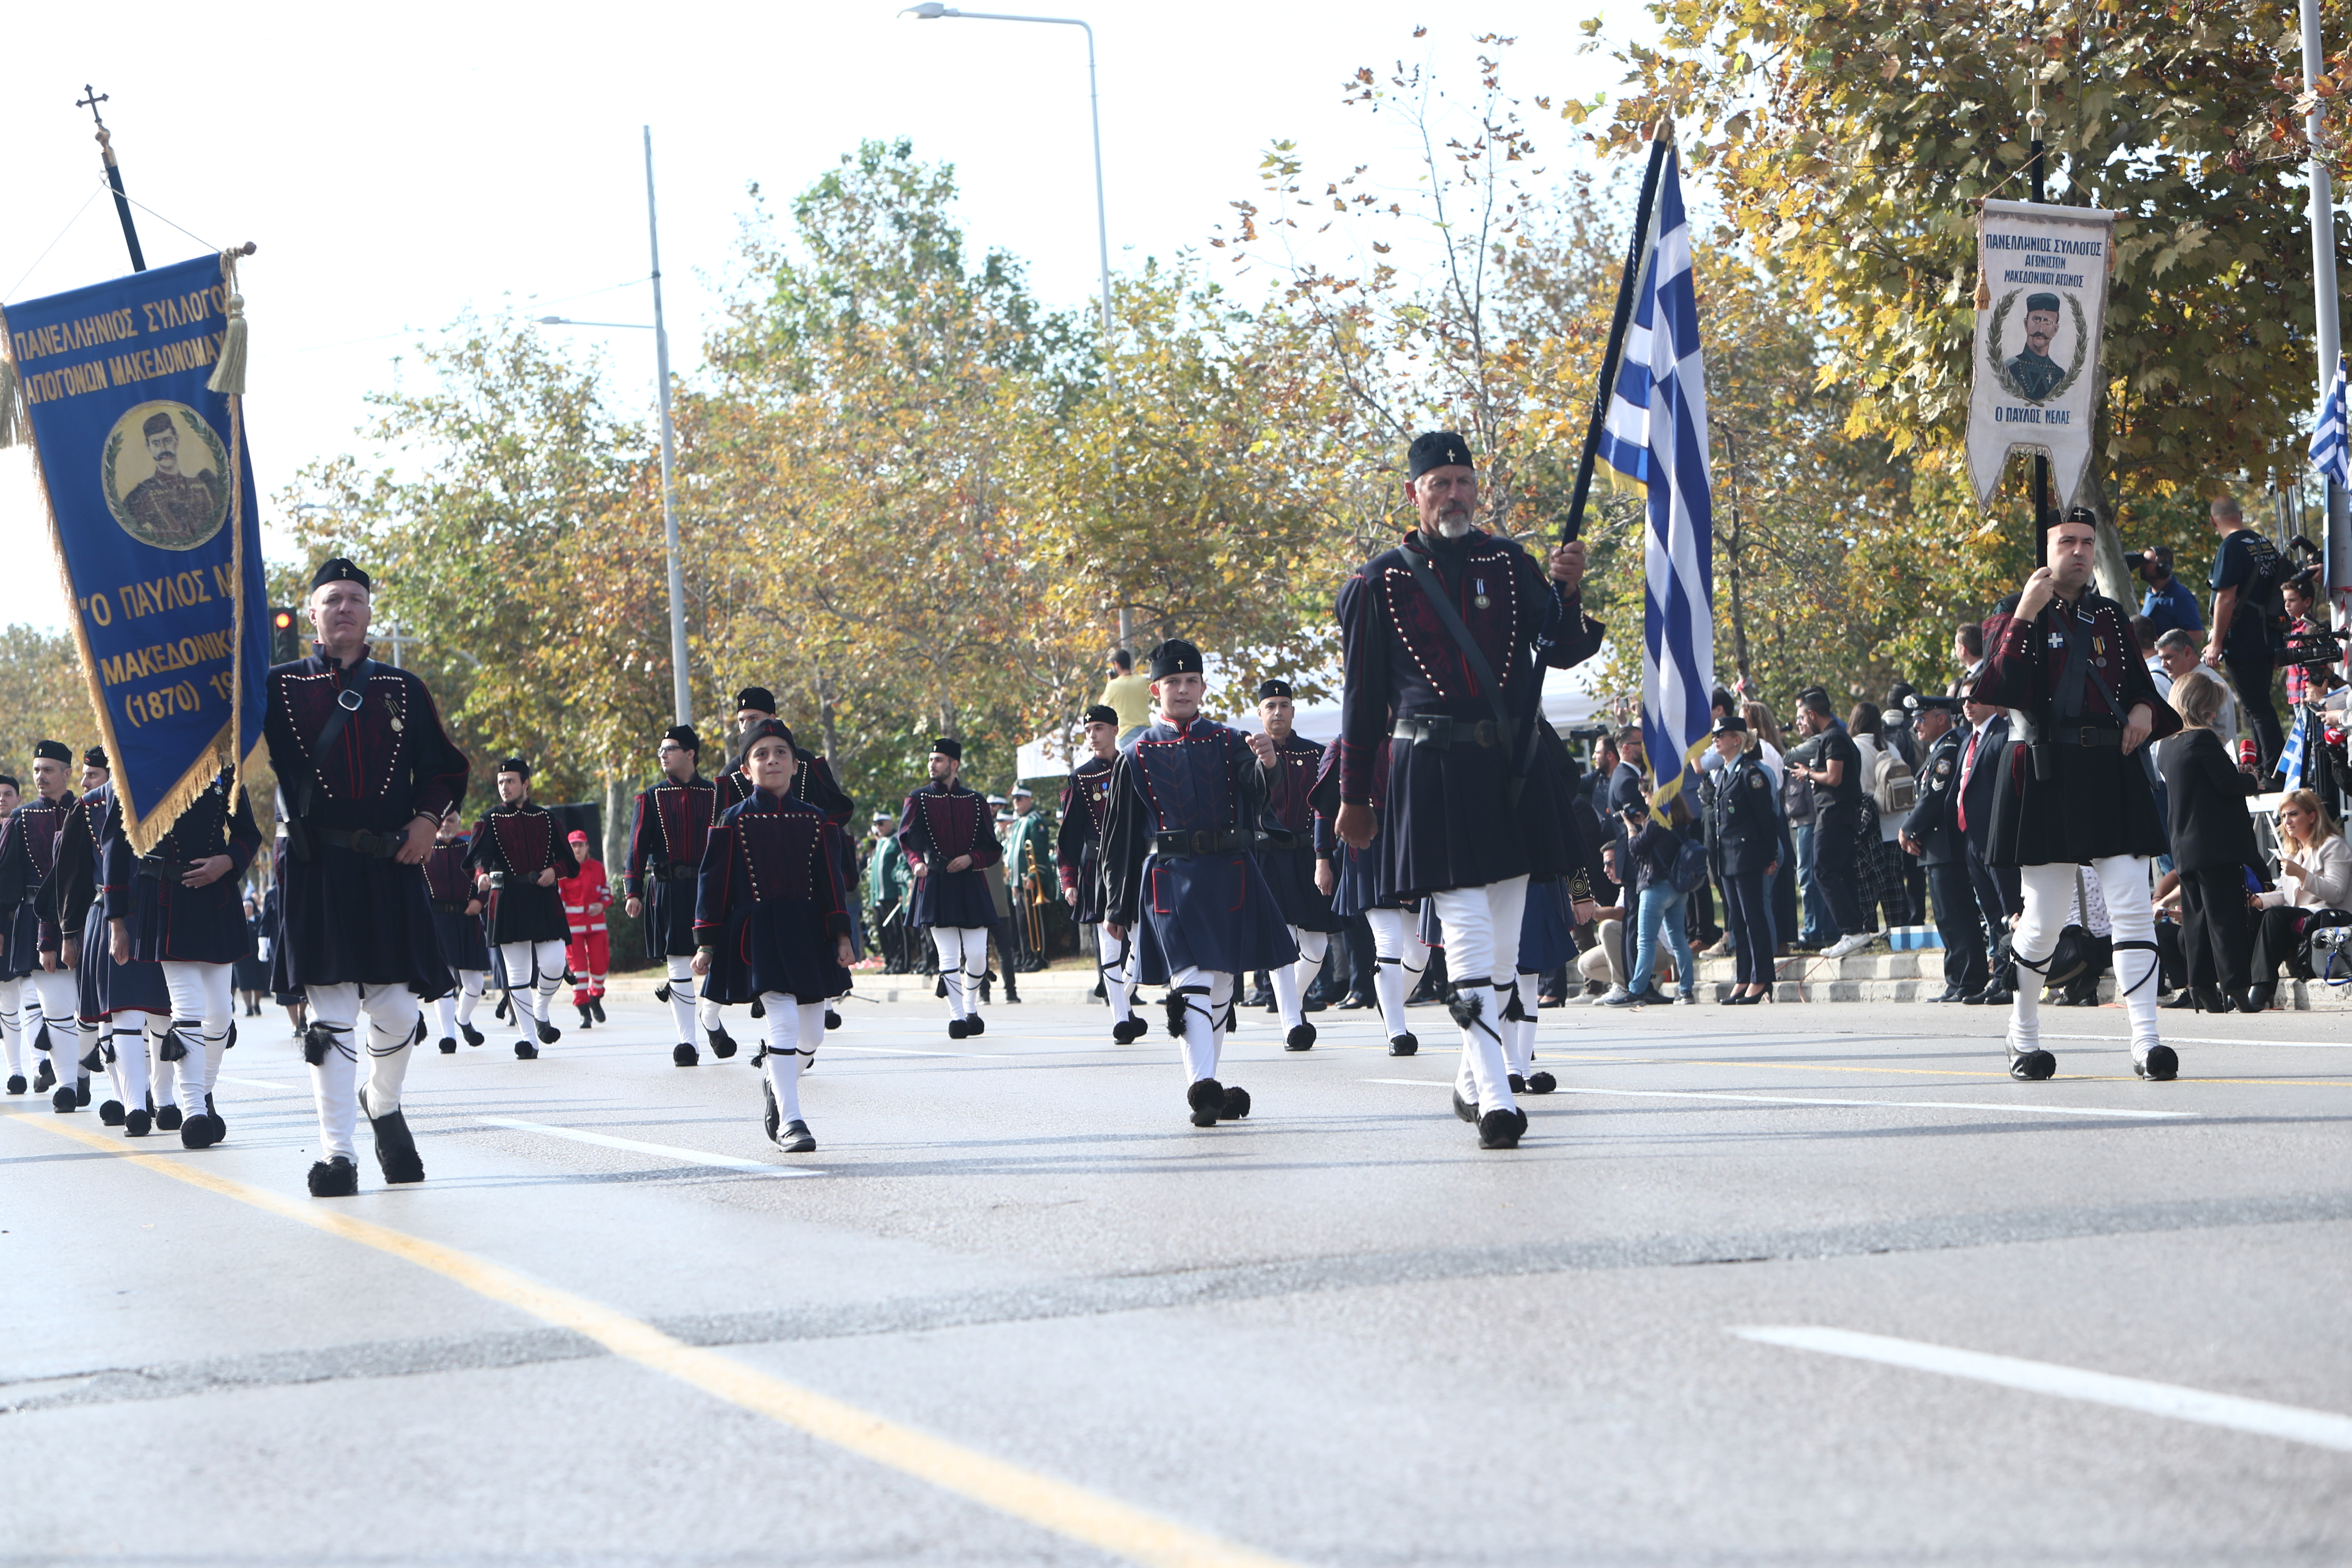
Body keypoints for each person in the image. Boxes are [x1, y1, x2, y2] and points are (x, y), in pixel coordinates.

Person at [1333, 429, 1602, 1149]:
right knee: (1471, 939)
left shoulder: (1509, 564)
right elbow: (1361, 700)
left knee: (1505, 948)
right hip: (1431, 773)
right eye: (1439, 484)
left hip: (1510, 768)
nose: (1453, 495)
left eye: (1463, 482)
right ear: (1413, 493)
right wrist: (1354, 796)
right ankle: (1496, 1099)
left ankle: (1470, 1079)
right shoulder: (1376, 583)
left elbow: (1563, 649)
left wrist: (1568, 590)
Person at [263, 557, 469, 1197]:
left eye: (355, 598)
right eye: (333, 599)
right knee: (329, 1018)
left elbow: (444, 769)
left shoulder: (404, 688)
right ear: (313, 614)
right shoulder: (275, 687)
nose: (345, 608)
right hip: (316, 867)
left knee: (399, 1010)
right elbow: (221, 739)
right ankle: (339, 1155)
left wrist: (427, 822)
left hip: (389, 865)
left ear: (370, 611)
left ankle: (382, 1100)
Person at [1980, 508, 2180, 1079]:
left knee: (2132, 907)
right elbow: (1998, 687)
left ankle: (2146, 1042)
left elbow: (2140, 688)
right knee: (2044, 919)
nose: (2079, 551)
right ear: (2046, 550)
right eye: (2067, 541)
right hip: (2046, 771)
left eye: (2087, 542)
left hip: (2110, 768)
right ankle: (2023, 1037)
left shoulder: (2111, 616)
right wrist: (2026, 612)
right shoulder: (2012, 612)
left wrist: (2144, 709)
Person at [1099, 639, 1297, 1128]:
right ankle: (1203, 1088)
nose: (1183, 689)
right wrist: (1116, 907)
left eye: (1191, 681)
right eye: (1173, 682)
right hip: (1171, 879)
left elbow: (1258, 790)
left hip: (1231, 873)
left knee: (1223, 982)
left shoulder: (1230, 741)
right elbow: (1119, 839)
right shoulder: (1134, 753)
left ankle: (1210, 1084)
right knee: (1191, 980)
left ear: (1204, 687)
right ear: (1156, 690)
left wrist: (1269, 764)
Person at [692, 720, 855, 1155]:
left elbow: (832, 883)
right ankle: (791, 1121)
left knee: (813, 1036)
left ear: (795, 764)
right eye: (761, 754)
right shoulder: (732, 820)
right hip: (758, 936)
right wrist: (706, 943)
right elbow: (713, 884)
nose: (772, 760)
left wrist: (842, 935)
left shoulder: (816, 819)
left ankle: (774, 1078)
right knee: (781, 1022)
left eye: (781, 752)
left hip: (809, 935)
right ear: (746, 770)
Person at [101, 767, 260, 1150]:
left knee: (220, 1015)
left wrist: (227, 862)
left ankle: (202, 1091)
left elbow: (248, 833)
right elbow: (116, 849)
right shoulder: (136, 765)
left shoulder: (224, 768)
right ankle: (195, 1113)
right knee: (186, 1009)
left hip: (216, 896)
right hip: (165, 897)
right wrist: (116, 922)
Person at [623, 725, 729, 1066]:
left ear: (690, 754)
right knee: (679, 964)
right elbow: (637, 846)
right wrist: (633, 891)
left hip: (710, 888)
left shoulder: (716, 794)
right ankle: (688, 1043)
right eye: (661, 750)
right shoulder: (651, 796)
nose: (663, 755)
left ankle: (710, 1017)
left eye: (669, 749)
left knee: (721, 959)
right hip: (668, 890)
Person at [2157, 672, 2261, 1014]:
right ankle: (2236, 987)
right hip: (2216, 845)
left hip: (2186, 846)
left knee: (2197, 920)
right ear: (2200, 706)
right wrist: (2252, 780)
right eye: (2211, 707)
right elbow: (2227, 784)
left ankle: (2201, 985)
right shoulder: (2202, 739)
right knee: (2226, 919)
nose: (2215, 714)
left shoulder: (2167, 746)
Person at [1251, 679, 1342, 1050]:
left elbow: (1329, 808)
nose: (1278, 712)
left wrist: (1327, 857)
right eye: (1270, 706)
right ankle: (1292, 1023)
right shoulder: (1248, 757)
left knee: (1316, 948)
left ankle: (1290, 999)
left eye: (1284, 705)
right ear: (1260, 712)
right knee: (1284, 943)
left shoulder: (1317, 754)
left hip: (1310, 856)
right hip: (1269, 857)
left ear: (1293, 710)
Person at [0, 741, 91, 1111]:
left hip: (86, 919)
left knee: (89, 1010)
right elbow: (7, 884)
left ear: (67, 773)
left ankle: (81, 1074)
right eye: (37, 770)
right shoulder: (21, 818)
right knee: (55, 1009)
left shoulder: (87, 810)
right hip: (36, 921)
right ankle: (67, 1084)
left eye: (48, 770)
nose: (40, 777)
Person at [468, 759, 578, 1059]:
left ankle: (541, 1009)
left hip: (543, 897)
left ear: (526, 783)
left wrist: (555, 871)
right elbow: (479, 858)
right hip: (507, 899)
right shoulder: (489, 819)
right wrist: (482, 875)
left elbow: (569, 861)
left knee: (554, 964)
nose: (505, 787)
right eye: (501, 782)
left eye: (511, 781)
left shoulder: (547, 818)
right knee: (518, 974)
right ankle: (529, 1039)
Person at [898, 737, 1001, 1039]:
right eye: (931, 760)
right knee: (949, 956)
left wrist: (972, 858)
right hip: (936, 883)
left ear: (954, 765)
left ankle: (971, 1007)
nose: (932, 765)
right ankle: (957, 1017)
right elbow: (907, 840)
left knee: (978, 954)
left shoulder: (976, 801)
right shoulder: (917, 798)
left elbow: (992, 849)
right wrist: (916, 863)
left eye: (939, 760)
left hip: (970, 883)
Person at [1058, 705, 1146, 1044]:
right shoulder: (1080, 778)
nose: (1092, 735)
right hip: (1097, 869)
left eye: (1098, 728)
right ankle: (1121, 1019)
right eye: (1088, 730)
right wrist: (1069, 880)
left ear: (1115, 729)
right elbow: (1068, 836)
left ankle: (1123, 1000)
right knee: (1110, 948)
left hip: (1136, 863)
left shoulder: (1136, 766)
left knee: (1141, 943)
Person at [1898, 695, 1986, 1002]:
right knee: (1946, 919)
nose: (1916, 725)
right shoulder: (1939, 750)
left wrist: (1908, 829)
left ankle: (1969, 981)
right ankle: (1957, 981)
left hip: (1946, 848)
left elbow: (1934, 799)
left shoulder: (1948, 750)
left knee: (1957, 917)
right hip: (1936, 849)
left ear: (1941, 718)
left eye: (1921, 718)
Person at [2202, 492, 2287, 775]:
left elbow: (2226, 598)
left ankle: (2275, 771)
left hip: (2243, 640)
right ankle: (2263, 766)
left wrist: (2216, 642)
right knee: (2258, 706)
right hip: (2268, 637)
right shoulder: (2264, 544)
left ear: (2213, 521)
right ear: (2240, 515)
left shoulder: (2230, 548)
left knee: (2258, 707)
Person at [2247, 790, 2352, 1010]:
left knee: (2276, 916)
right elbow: (2283, 895)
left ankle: (2262, 988)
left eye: (2293, 814)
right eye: (2283, 816)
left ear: (2312, 817)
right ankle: (2244, 983)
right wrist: (2258, 901)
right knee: (2252, 914)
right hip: (2300, 918)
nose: (2287, 821)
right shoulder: (2293, 853)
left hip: (2327, 918)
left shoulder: (2334, 846)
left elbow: (2336, 893)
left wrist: (2302, 874)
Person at [1708, 715, 1782, 1004]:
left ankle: (1761, 978)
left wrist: (1771, 854)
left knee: (1754, 919)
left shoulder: (1751, 774)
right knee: (1737, 922)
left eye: (1721, 735)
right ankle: (1744, 977)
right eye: (1715, 735)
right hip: (1728, 858)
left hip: (1748, 856)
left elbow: (1767, 818)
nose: (1716, 740)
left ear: (1737, 740)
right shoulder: (1726, 773)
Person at [1791, 692, 1871, 957]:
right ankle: (1857, 934)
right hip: (1840, 814)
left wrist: (1808, 773)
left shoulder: (1833, 737)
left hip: (1835, 814)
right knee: (1843, 873)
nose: (1801, 722)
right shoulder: (1835, 736)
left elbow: (1834, 778)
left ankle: (1851, 931)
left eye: (1802, 717)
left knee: (1823, 871)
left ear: (1812, 714)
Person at [1953, 683, 2018, 1007]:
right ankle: (2000, 977)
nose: (1968, 704)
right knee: (1992, 913)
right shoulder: (1969, 739)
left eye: (1975, 698)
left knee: (2010, 910)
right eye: (1964, 699)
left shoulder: (2003, 734)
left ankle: (2015, 980)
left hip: (1998, 838)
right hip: (1973, 839)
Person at [1609, 792, 1700, 1006]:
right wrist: (1644, 824)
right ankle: (1686, 991)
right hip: (1678, 888)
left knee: (1646, 941)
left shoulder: (1656, 822)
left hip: (1655, 888)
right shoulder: (1682, 823)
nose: (1646, 801)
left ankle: (1636, 990)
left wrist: (1631, 827)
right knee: (1679, 939)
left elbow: (1635, 848)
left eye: (1648, 796)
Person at [423, 807, 490, 1053]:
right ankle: (448, 1037)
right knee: (444, 982)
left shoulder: (469, 849)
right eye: (442, 820)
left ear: (459, 823)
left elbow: (487, 877)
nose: (445, 825)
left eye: (451, 820)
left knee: (474, 985)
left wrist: (480, 901)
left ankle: (462, 1019)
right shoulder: (424, 850)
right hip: (437, 921)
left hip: (467, 918)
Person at [558, 829, 611, 1028]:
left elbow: (607, 893)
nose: (578, 849)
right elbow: (560, 903)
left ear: (587, 847)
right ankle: (584, 1012)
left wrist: (602, 905)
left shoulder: (597, 868)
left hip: (597, 926)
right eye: (574, 846)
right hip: (573, 929)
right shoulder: (563, 872)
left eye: (581, 845)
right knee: (579, 972)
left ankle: (595, 998)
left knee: (600, 966)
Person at [1001, 784, 1053, 976]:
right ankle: (1028, 957)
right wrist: (1013, 882)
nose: (1016, 802)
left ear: (1029, 799)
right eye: (1014, 798)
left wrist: (1033, 876)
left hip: (1033, 880)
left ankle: (1041, 958)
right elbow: (1014, 854)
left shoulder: (1035, 821)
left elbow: (1039, 852)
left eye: (1020, 798)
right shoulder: (1018, 824)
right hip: (1019, 882)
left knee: (1037, 921)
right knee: (1024, 923)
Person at [865, 811, 912, 974]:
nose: (879, 827)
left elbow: (901, 866)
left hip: (892, 895)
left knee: (898, 931)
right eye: (876, 824)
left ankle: (902, 963)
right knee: (885, 932)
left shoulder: (897, 841)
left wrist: (901, 893)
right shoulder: (879, 843)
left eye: (881, 824)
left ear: (890, 823)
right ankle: (890, 962)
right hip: (879, 897)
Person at [2004, 291, 2067, 400]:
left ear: (2056, 330)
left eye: (2047, 322)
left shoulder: (2061, 376)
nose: (2041, 330)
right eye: (2037, 320)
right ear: (2026, 324)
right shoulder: (2009, 369)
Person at [2136, 545, 2202, 638]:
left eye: (2147, 563)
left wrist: (2164, 645)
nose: (2142, 566)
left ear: (2163, 568)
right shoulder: (2150, 592)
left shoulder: (2180, 596)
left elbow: (2197, 634)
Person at [1099, 649, 1154, 747]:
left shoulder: (1113, 685)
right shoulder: (1144, 681)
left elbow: (1102, 707)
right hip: (1146, 731)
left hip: (1125, 733)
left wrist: (1109, 683)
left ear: (1117, 664)